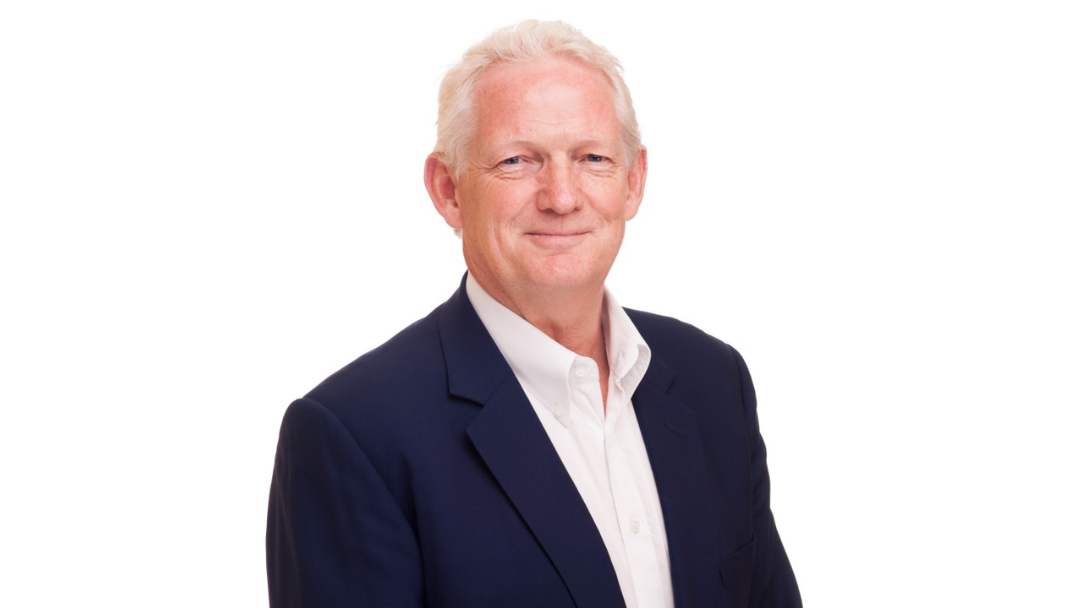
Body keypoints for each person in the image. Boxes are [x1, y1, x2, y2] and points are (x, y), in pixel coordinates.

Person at [266, 20, 801, 608]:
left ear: (633, 182)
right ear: (448, 190)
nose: (562, 196)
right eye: (518, 160)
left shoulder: (714, 381)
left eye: (593, 157)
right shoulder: (353, 436)